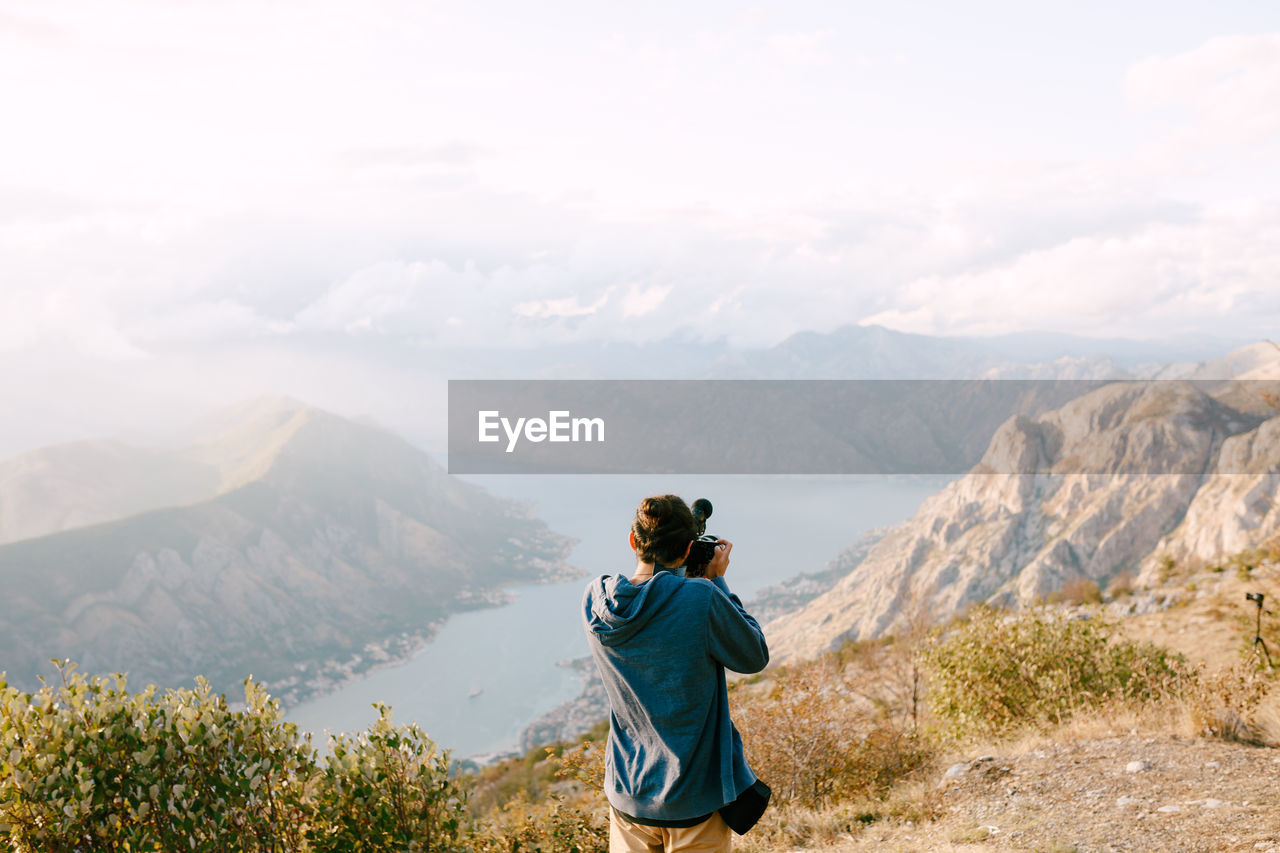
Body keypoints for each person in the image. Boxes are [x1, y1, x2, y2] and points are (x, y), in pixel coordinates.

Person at [582, 494, 770, 853]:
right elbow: (754, 656)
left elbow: (652, 606)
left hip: (628, 794)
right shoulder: (700, 598)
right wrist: (715, 581)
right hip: (693, 799)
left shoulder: (595, 599)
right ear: (687, 548)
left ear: (633, 541)